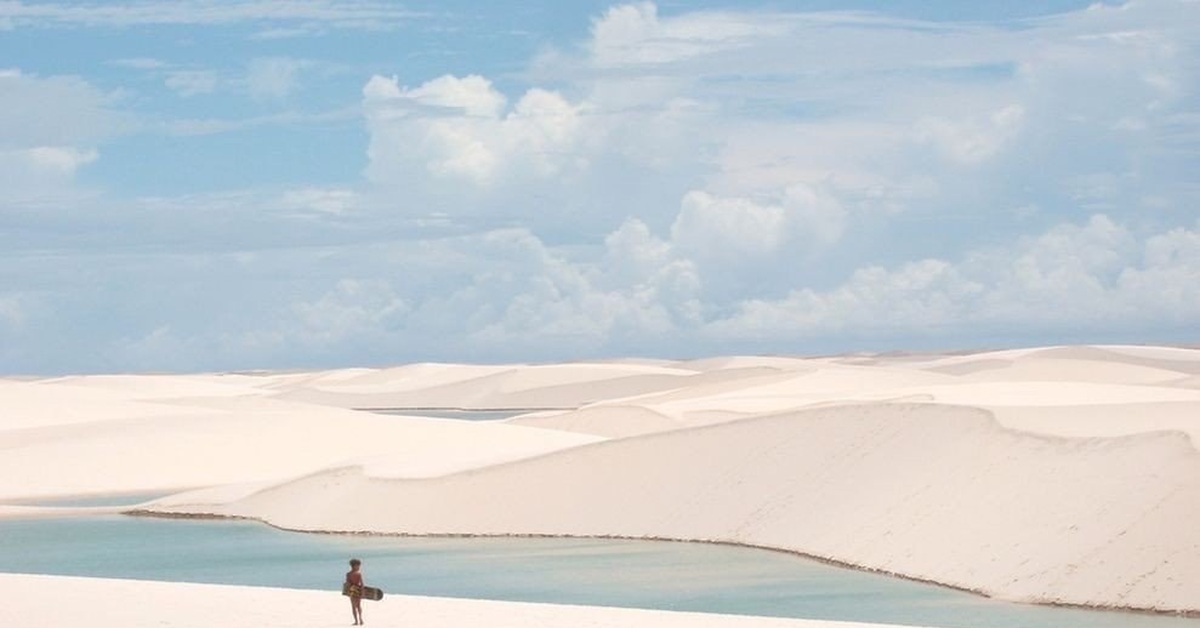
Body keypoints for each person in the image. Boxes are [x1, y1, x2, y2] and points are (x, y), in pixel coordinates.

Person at [345, 558, 365, 625]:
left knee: (353, 606)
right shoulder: (358, 574)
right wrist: (362, 593)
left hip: (352, 590)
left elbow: (347, 584)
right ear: (354, 566)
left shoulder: (348, 574)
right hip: (358, 590)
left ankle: (356, 621)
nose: (359, 567)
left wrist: (347, 592)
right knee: (358, 606)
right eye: (358, 566)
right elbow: (362, 584)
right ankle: (361, 619)